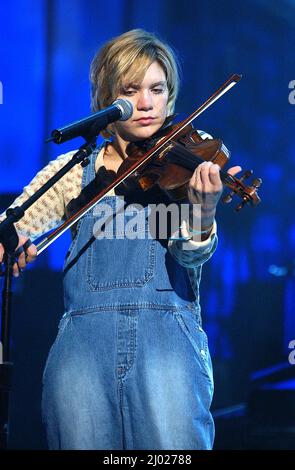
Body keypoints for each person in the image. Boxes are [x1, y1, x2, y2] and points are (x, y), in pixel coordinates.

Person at [0, 29, 240, 450]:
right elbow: (16, 222)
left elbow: (190, 256)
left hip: (165, 347)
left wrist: (203, 211)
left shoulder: (187, 165)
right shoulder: (74, 171)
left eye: (157, 89)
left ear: (170, 94)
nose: (146, 104)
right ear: (107, 98)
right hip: (81, 355)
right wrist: (11, 240)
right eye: (130, 91)